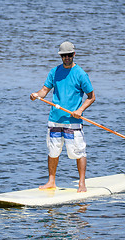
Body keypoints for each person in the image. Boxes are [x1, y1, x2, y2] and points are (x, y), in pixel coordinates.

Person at [30, 41, 95, 192]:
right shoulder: (54, 72)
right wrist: (36, 95)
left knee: (78, 152)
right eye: (63, 55)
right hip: (55, 120)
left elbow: (91, 97)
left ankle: (81, 184)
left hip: (73, 121)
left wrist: (80, 110)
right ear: (60, 56)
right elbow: (44, 91)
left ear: (74, 54)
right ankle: (51, 181)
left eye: (69, 55)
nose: (66, 58)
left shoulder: (80, 74)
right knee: (53, 151)